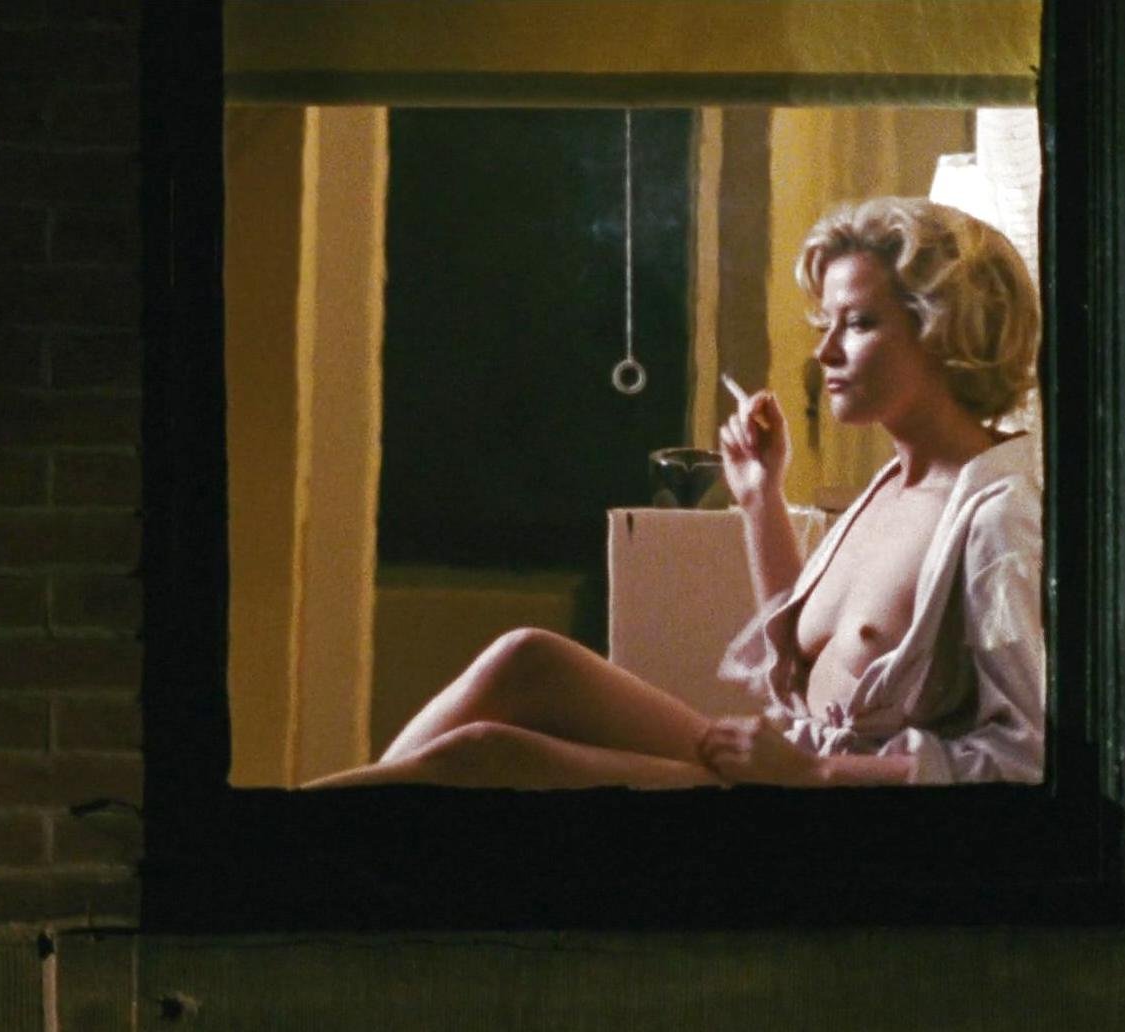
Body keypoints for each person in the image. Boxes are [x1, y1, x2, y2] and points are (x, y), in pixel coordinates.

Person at [303, 196, 1042, 790]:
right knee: (526, 659)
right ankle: (298, 846)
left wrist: (815, 773)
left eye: (858, 324)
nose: (824, 352)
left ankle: (276, 864)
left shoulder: (1000, 513)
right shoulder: (892, 484)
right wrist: (760, 498)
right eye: (826, 324)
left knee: (486, 757)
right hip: (791, 767)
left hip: (827, 807)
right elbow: (804, 676)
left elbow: (1029, 759)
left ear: (946, 332)